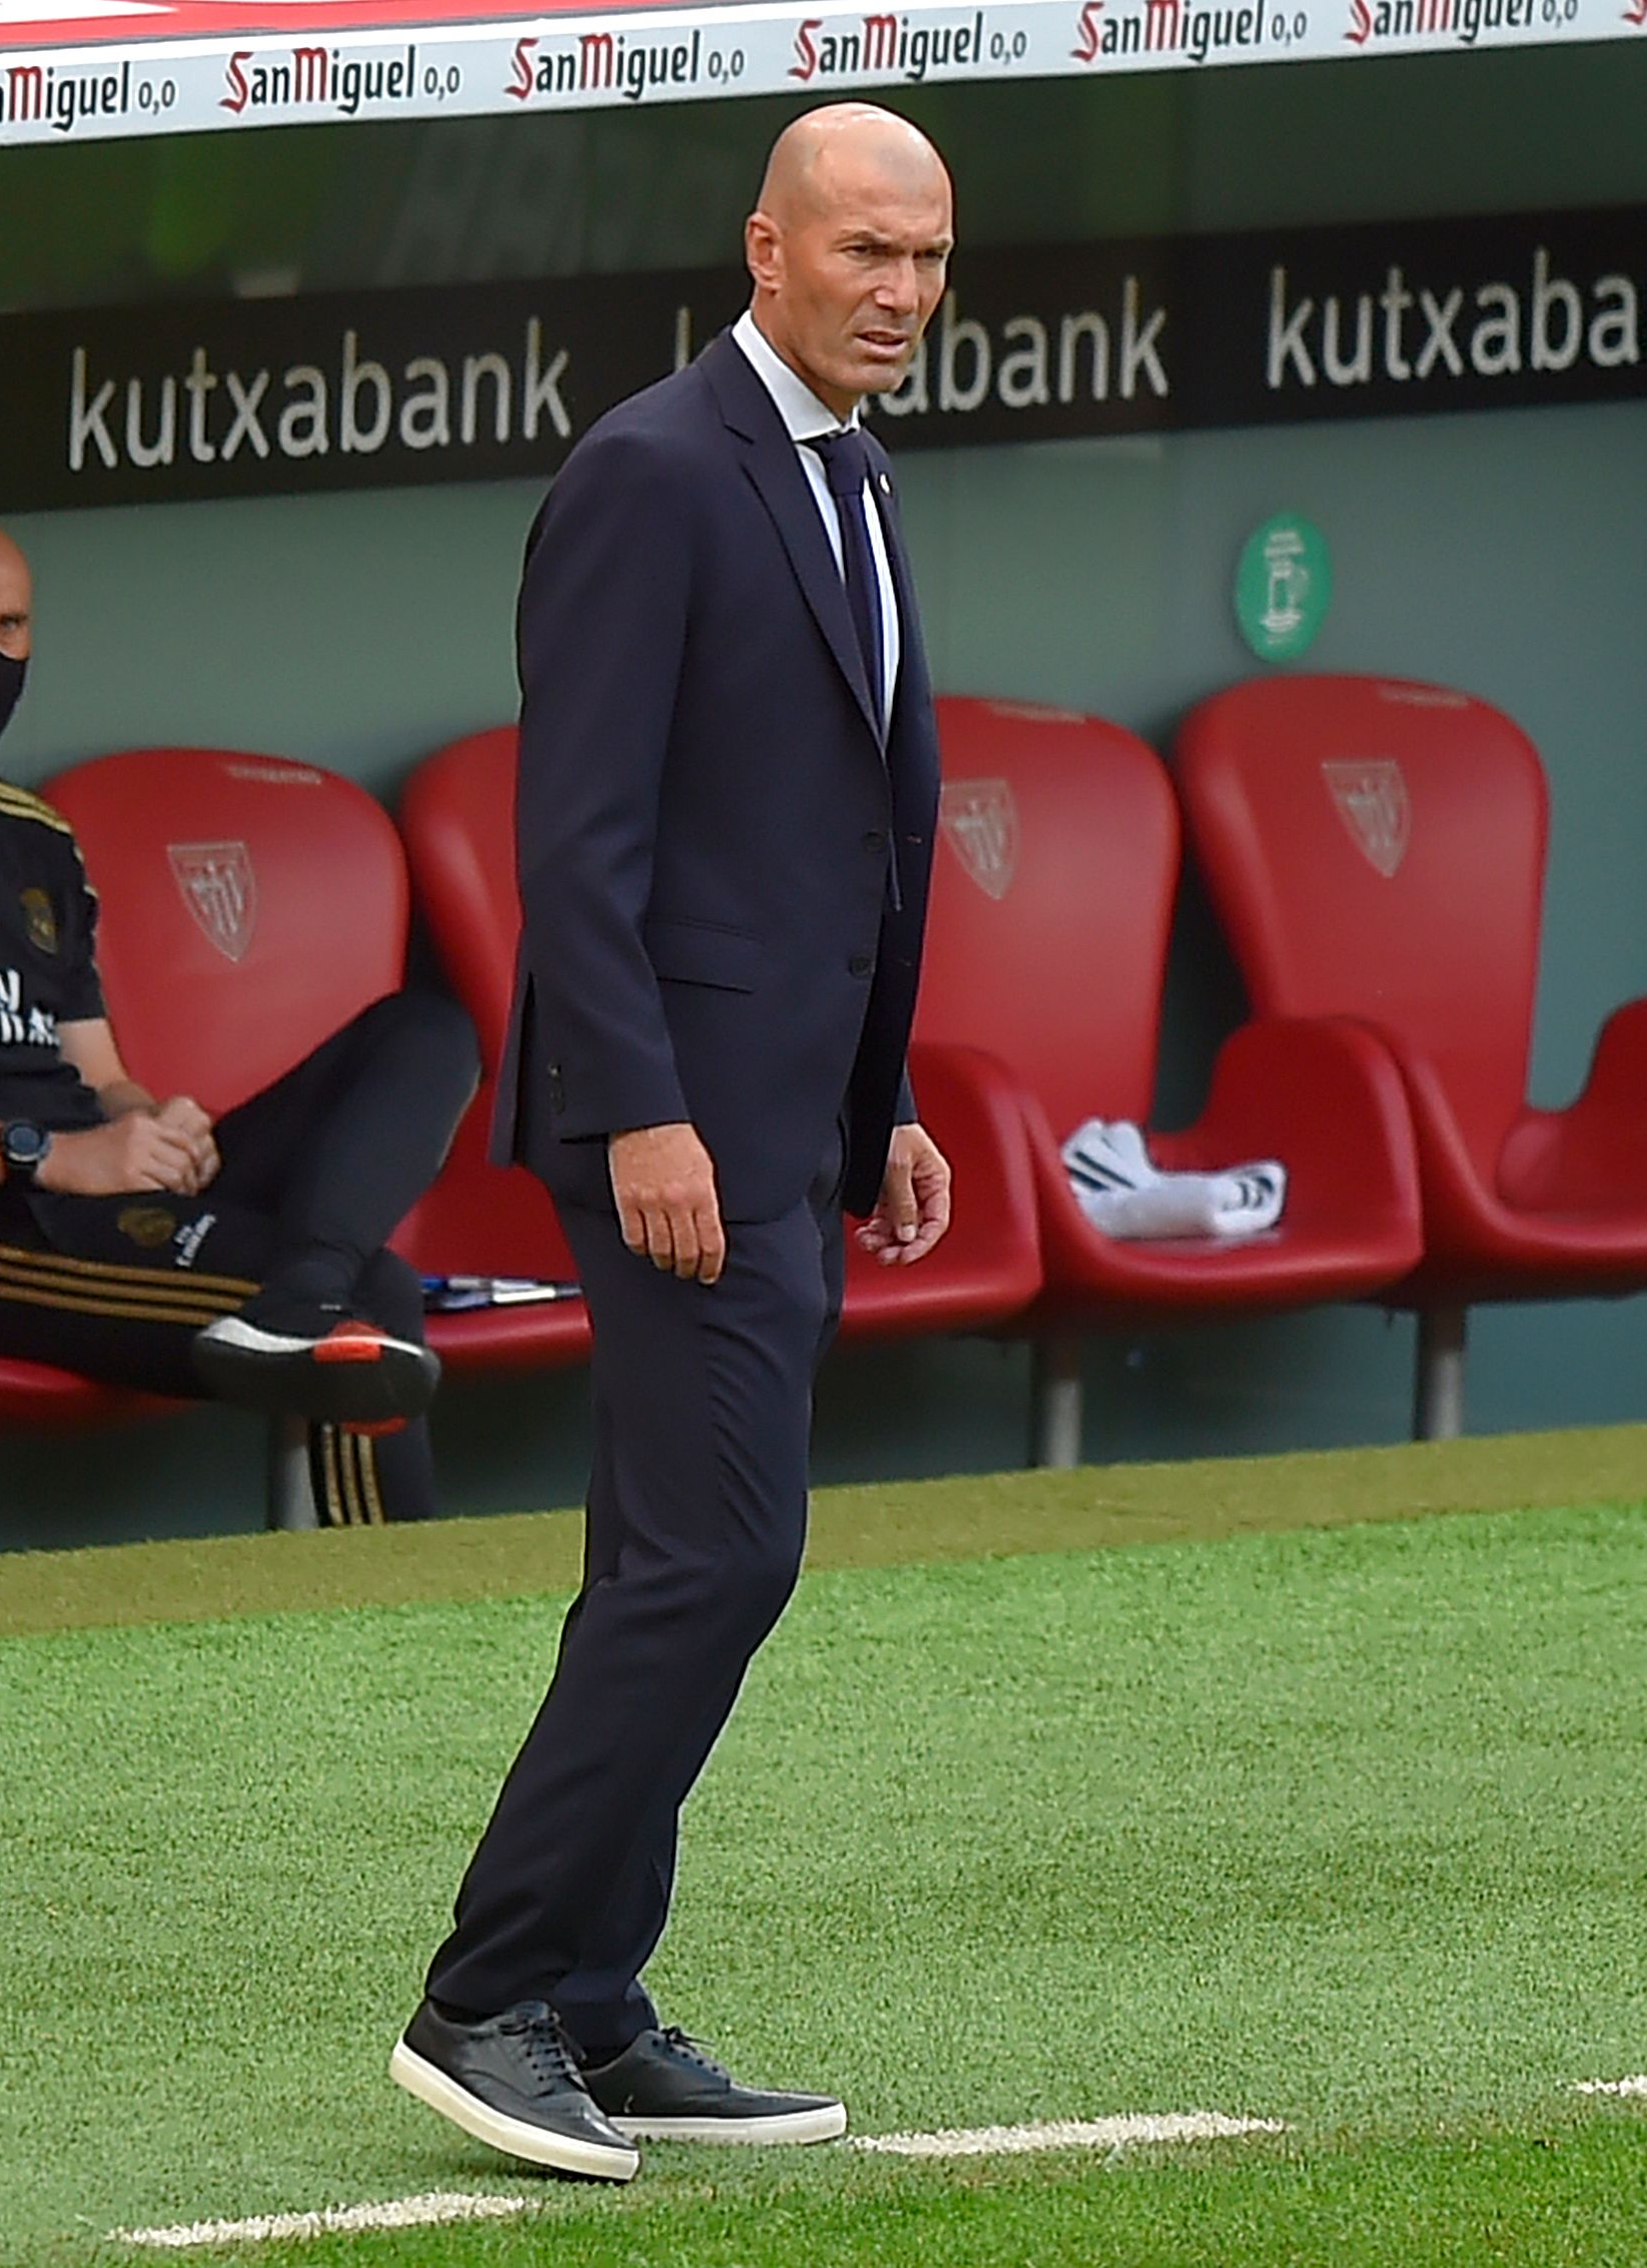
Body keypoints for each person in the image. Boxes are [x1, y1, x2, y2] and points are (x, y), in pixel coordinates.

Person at [391, 104, 957, 2181]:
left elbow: (856, 838)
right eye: (863, 253)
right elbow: (583, 840)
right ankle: (489, 1994)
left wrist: (877, 1097)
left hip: (783, 1121)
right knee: (727, 1547)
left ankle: (596, 1999)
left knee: (668, 1555)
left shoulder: (855, 474)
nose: (897, 291)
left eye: (924, 257)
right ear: (766, 249)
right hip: (668, 1132)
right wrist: (642, 1107)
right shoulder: (648, 469)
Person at [0, 506, 478, 1526]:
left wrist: (152, 1123)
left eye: (10, 627)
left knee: (425, 1033)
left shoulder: (35, 836)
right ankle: (390, 1648)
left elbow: (97, 1068)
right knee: (366, 1309)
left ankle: (301, 1289)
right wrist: (42, 1154)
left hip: (100, 1189)